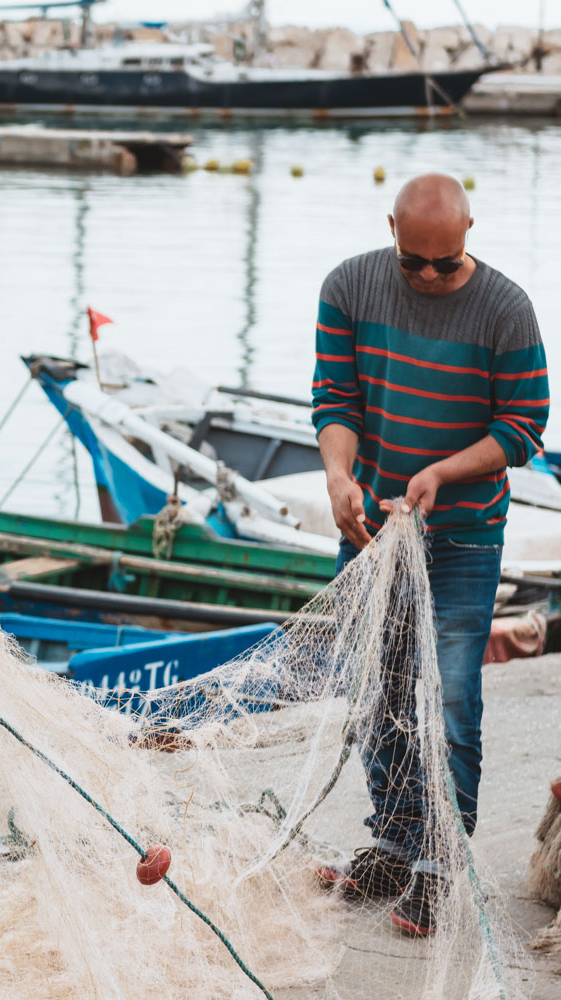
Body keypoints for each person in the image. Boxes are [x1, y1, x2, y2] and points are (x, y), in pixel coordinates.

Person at [310, 173, 548, 936]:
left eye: (446, 264)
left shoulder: (506, 308)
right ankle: (393, 841)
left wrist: (443, 471)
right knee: (376, 690)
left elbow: (524, 426)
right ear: (392, 231)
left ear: (470, 232)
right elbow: (335, 400)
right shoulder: (349, 286)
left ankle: (441, 863)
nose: (431, 277)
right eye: (415, 263)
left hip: (466, 534)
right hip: (374, 530)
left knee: (447, 698)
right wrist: (340, 476)